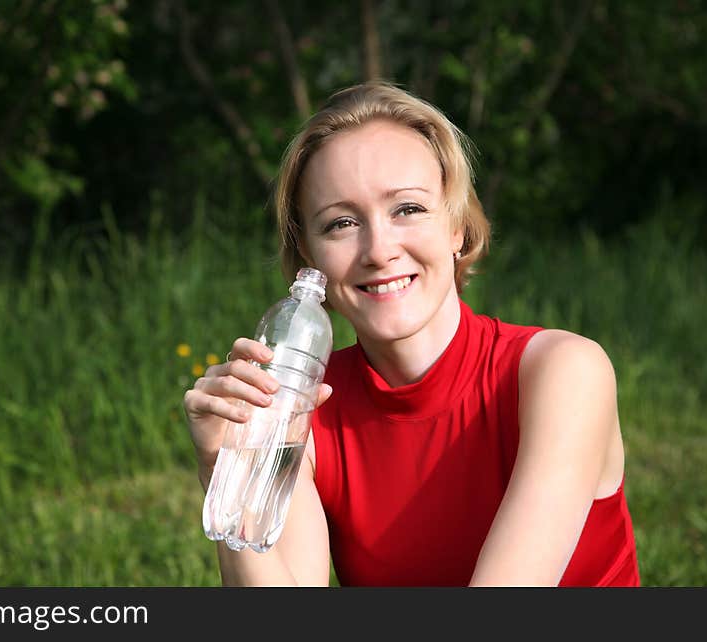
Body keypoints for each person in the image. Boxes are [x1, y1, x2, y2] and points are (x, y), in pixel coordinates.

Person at [182, 81, 640, 586]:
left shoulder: (563, 372)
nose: (379, 249)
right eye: (340, 223)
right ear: (309, 254)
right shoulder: (305, 411)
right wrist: (228, 473)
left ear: (458, 226)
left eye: (408, 209)